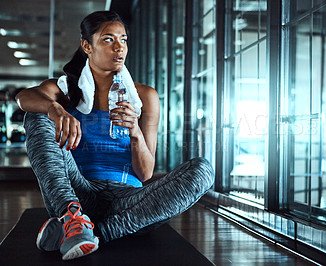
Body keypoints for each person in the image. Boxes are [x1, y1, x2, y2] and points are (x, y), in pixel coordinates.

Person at [16, 11, 214, 261]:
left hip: (129, 203)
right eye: (108, 39)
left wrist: (135, 132)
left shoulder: (145, 97)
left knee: (203, 170)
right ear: (87, 46)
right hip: (78, 192)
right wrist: (55, 109)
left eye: (124, 39)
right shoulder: (65, 90)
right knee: (37, 114)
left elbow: (146, 174)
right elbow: (23, 98)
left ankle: (93, 233)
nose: (119, 48)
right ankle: (71, 216)